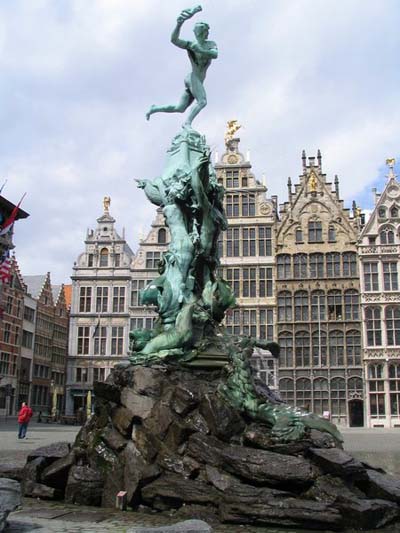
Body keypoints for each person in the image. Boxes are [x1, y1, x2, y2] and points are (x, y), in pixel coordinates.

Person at [146, 6, 218, 127]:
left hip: (197, 80)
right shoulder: (191, 45)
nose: (204, 34)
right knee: (202, 101)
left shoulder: (210, 44)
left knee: (180, 108)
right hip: (193, 77)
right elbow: (174, 40)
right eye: (202, 32)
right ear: (199, 33)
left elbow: (215, 54)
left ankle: (154, 108)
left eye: (204, 32)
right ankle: (187, 123)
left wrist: (201, 50)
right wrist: (179, 24)